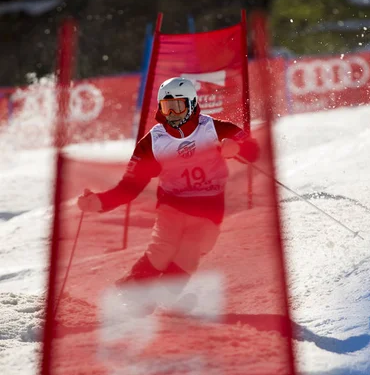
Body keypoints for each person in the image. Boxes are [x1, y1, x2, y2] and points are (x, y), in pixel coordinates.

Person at [77, 77, 259, 301]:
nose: (172, 114)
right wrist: (100, 202)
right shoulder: (154, 141)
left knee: (192, 249)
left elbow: (253, 150)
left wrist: (237, 147)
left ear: (191, 104)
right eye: (167, 108)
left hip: (210, 206)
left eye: (178, 107)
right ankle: (132, 290)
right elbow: (131, 185)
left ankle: (164, 296)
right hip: (173, 203)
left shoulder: (214, 128)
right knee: (163, 248)